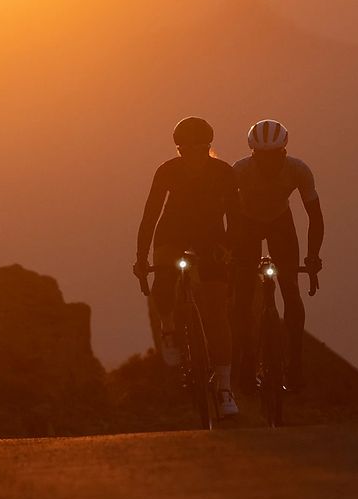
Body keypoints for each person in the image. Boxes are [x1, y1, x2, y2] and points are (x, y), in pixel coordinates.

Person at [134, 117, 241, 416]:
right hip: (173, 231)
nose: (191, 157)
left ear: (208, 148)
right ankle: (169, 328)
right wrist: (142, 257)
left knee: (217, 313)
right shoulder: (167, 171)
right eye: (185, 151)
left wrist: (229, 249)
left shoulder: (224, 173)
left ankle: (224, 388)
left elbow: (235, 216)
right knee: (165, 278)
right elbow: (151, 214)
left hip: (211, 237)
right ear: (179, 151)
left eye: (197, 150)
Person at [230, 119, 323, 393]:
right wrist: (228, 247)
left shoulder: (298, 170)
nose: (268, 163)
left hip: (281, 223)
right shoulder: (240, 171)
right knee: (244, 298)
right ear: (253, 154)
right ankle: (246, 366)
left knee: (291, 292)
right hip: (246, 225)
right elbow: (227, 212)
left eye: (273, 156)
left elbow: (315, 217)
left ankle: (295, 365)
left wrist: (312, 256)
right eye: (261, 157)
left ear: (283, 152)